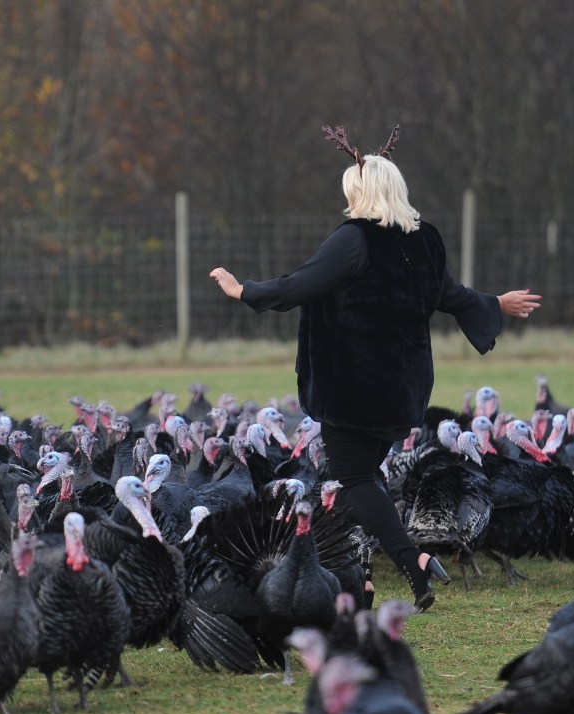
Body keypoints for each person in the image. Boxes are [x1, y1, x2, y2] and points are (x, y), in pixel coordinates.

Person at [209, 124, 541, 611]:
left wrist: (245, 291)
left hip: (354, 388)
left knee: (354, 478)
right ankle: (362, 574)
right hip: (403, 389)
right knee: (366, 478)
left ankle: (412, 563)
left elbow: (300, 284)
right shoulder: (425, 239)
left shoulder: (353, 240)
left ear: (362, 194)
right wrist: (495, 303)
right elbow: (450, 295)